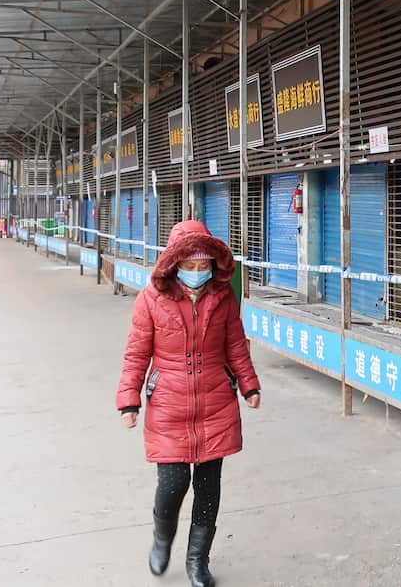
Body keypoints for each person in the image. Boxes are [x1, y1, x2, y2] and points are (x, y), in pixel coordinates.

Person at [117, 220, 261, 587]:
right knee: (173, 482)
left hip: (216, 400)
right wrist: (129, 399)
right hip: (169, 403)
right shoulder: (150, 298)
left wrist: (249, 384)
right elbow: (136, 353)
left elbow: (235, 346)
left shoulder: (223, 296)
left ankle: (198, 561)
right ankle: (162, 538)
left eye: (204, 266)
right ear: (174, 263)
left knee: (209, 486)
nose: (198, 273)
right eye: (190, 266)